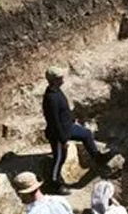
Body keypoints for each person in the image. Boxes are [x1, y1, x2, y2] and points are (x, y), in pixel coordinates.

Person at [41, 65, 110, 193]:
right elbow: (54, 121)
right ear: (54, 80)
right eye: (60, 78)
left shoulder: (56, 91)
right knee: (59, 159)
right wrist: (63, 140)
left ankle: (98, 158)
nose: (63, 79)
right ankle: (53, 184)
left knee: (86, 134)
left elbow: (63, 112)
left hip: (68, 127)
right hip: (58, 133)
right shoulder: (51, 98)